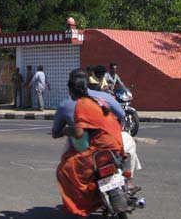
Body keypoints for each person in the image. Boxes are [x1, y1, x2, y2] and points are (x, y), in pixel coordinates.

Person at [53, 69, 142, 194]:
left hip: (87, 148)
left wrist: (66, 130)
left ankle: (82, 192)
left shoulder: (70, 105)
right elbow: (122, 114)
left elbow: (74, 132)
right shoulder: (102, 98)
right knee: (129, 143)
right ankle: (128, 180)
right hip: (110, 142)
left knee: (64, 168)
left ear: (71, 87)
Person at [54, 69, 125, 217]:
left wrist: (66, 130)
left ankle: (83, 204)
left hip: (101, 146)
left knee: (65, 168)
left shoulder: (81, 104)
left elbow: (79, 133)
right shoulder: (98, 100)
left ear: (73, 90)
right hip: (116, 142)